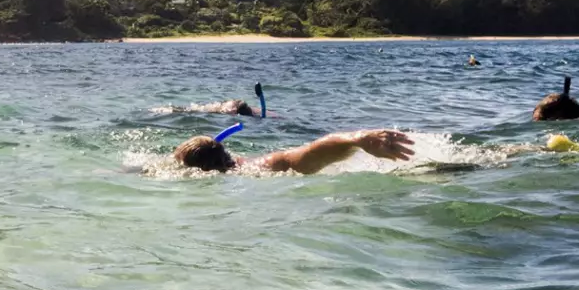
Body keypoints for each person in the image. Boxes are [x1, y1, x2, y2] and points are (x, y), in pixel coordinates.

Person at [173, 128, 413, 174]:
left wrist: (357, 140)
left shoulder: (251, 170)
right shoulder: (252, 166)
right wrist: (355, 140)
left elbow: (305, 157)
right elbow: (304, 155)